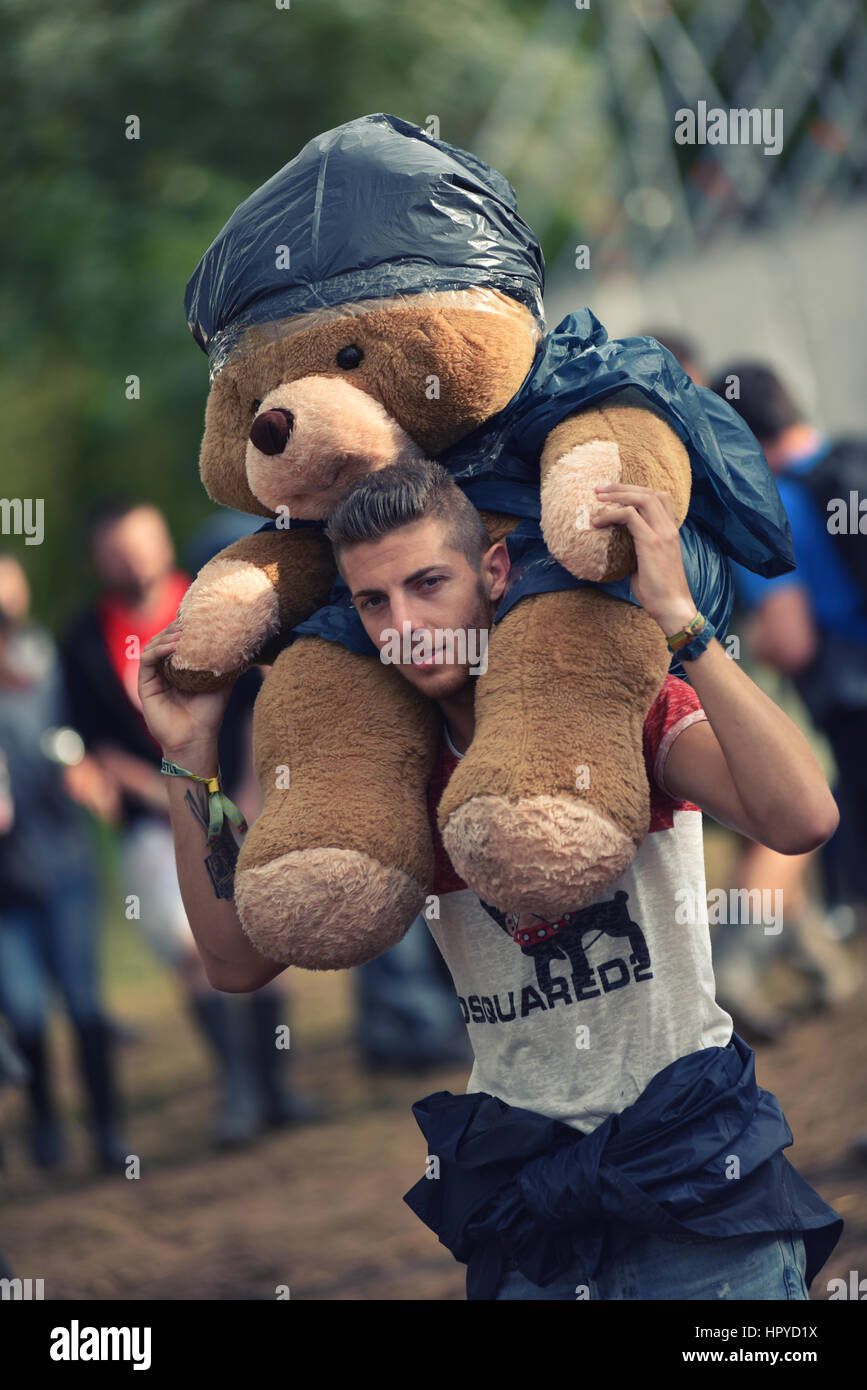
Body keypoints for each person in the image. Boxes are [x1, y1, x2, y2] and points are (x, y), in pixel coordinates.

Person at [137, 459, 843, 1301]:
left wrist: (681, 627)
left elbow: (803, 819)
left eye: (427, 583)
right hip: (528, 1204)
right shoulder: (391, 777)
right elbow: (235, 963)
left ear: (493, 572)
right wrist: (189, 760)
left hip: (695, 1180)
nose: (404, 625)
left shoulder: (608, 706)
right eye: (373, 602)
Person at [60, 499, 321, 1147]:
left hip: (241, 793)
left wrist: (250, 790)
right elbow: (92, 742)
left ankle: (275, 1087)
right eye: (119, 547)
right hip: (153, 819)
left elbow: (264, 697)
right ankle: (236, 1089)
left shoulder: (210, 608)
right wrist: (166, 794)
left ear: (161, 540)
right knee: (189, 948)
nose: (133, 557)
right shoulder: (83, 638)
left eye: (142, 541)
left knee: (259, 929)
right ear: (101, 557)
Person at [0, 553, 128, 1171]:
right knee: (24, 1012)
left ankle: (107, 1133)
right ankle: (45, 1122)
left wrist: (87, 774)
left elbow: (83, 741)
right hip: (6, 891)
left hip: (66, 870)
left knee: (85, 1007)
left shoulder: (51, 665)